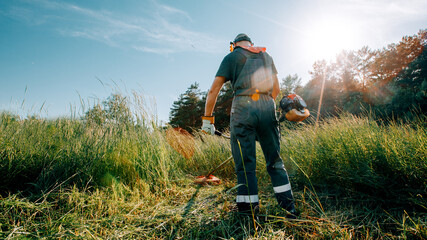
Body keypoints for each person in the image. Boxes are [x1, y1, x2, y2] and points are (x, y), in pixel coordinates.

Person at [202, 33, 297, 217]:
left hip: (242, 107)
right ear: (251, 43)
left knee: (246, 165)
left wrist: (208, 120)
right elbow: (276, 88)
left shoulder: (232, 56)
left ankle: (249, 215)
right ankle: (289, 208)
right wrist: (265, 110)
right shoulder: (266, 56)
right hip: (267, 105)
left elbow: (214, 89)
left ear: (234, 44)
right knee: (275, 161)